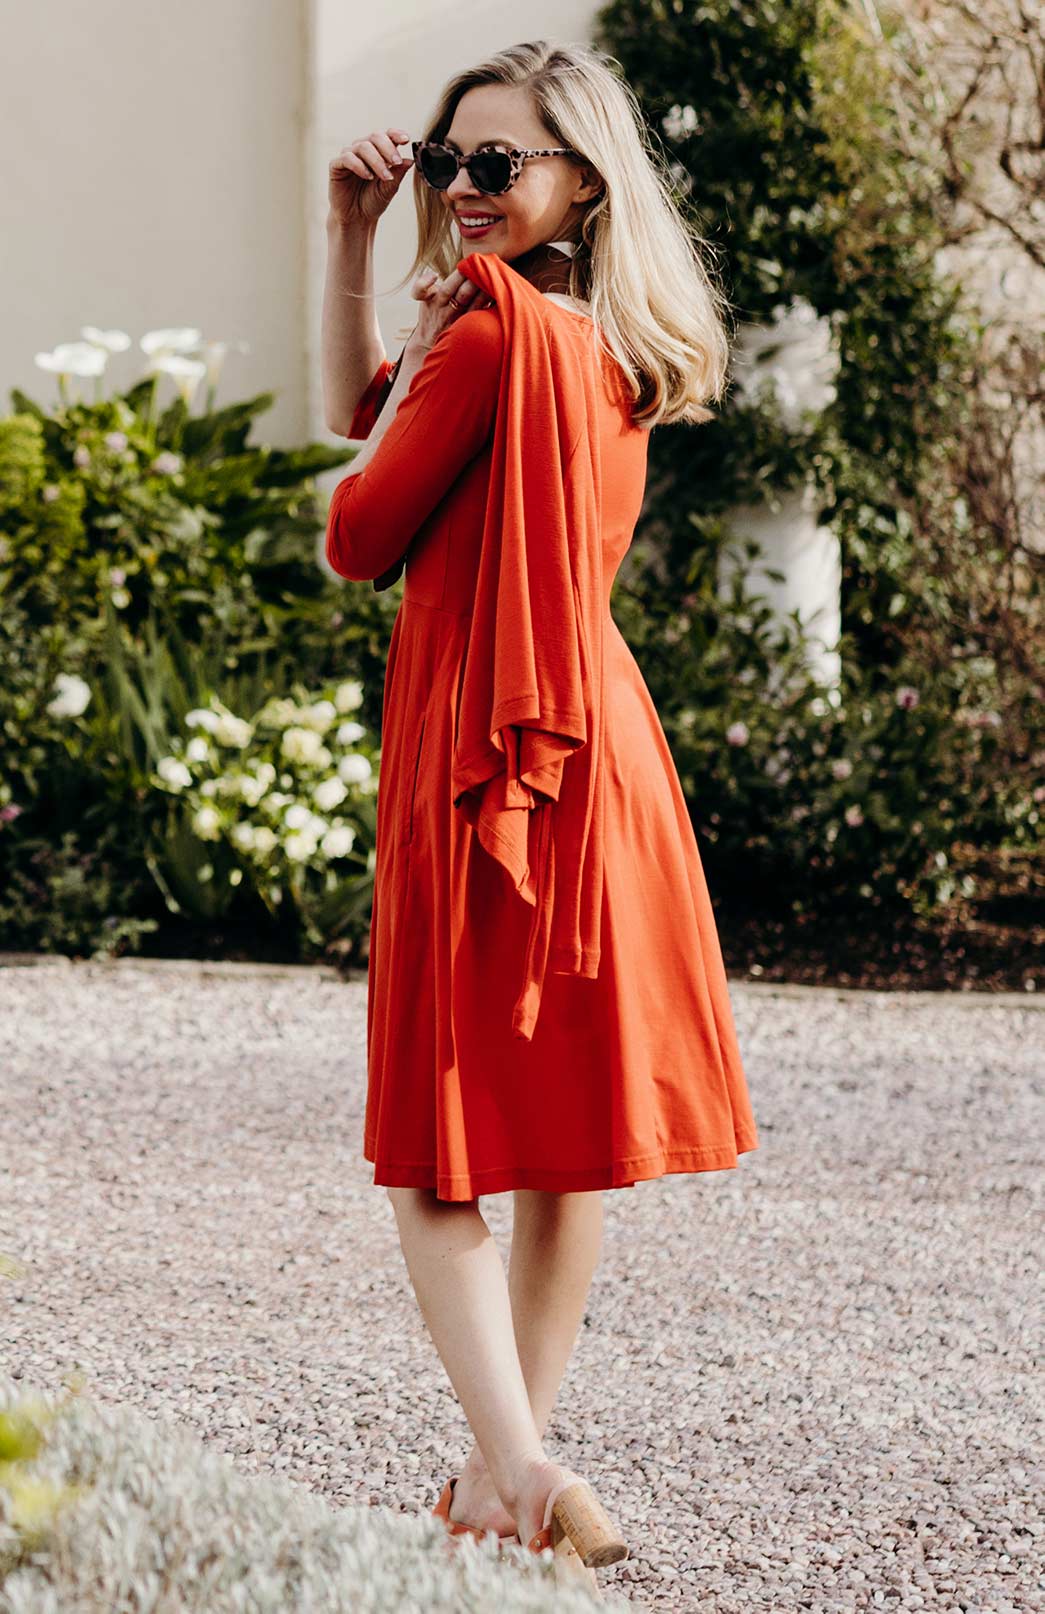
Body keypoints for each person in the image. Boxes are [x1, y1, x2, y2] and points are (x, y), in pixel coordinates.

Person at [321, 38, 760, 1584]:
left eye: (497, 164)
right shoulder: (611, 342)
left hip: (480, 741)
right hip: (601, 747)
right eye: (449, 160)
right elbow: (369, 409)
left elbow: (356, 527)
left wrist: (405, 304)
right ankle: (495, 1481)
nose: (461, 185)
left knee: (433, 1147)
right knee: (566, 1141)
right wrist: (354, 239)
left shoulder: (488, 338)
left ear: (582, 180)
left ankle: (520, 1467)